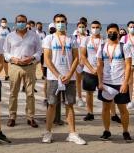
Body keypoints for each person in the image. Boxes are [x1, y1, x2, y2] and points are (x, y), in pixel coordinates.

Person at [42, 14, 86, 145]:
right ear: (54, 24)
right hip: (53, 78)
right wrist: (58, 75)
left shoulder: (72, 38)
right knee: (51, 105)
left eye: (62, 21)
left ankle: (72, 133)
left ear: (66, 23)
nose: (60, 24)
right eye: (57, 22)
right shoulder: (49, 39)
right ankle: (48, 132)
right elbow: (47, 59)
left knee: (69, 105)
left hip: (69, 78)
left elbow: (76, 58)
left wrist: (69, 74)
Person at [96, 23, 133, 142]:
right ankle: (106, 131)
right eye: (110, 32)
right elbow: (99, 65)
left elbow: (128, 66)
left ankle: (125, 131)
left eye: (115, 32)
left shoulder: (124, 47)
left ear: (119, 33)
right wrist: (100, 82)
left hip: (120, 83)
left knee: (123, 109)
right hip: (106, 83)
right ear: (107, 33)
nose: (112, 34)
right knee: (105, 108)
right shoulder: (102, 47)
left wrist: (125, 83)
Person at [3, 14, 41, 128]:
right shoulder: (10, 36)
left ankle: (30, 117)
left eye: (23, 21)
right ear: (15, 23)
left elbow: (39, 52)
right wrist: (12, 58)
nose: (21, 23)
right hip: (15, 66)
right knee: (13, 93)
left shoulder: (34, 36)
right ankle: (12, 117)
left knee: (30, 94)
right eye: (19, 21)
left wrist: (32, 58)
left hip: (30, 66)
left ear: (26, 22)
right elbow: (5, 53)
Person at [79, 20, 103, 121]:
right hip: (89, 70)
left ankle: (112, 114)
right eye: (93, 27)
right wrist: (91, 68)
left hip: (102, 71)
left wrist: (99, 69)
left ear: (100, 28)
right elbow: (83, 56)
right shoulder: (86, 39)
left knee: (106, 93)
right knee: (89, 93)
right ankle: (90, 113)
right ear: (90, 28)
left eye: (97, 27)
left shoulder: (104, 40)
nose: (95, 29)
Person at [73, 19, 88, 106]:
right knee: (78, 81)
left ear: (85, 28)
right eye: (80, 27)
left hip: (86, 62)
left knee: (86, 81)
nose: (81, 28)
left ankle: (87, 97)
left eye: (83, 27)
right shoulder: (75, 38)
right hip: (77, 62)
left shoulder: (88, 38)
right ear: (77, 28)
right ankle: (79, 98)